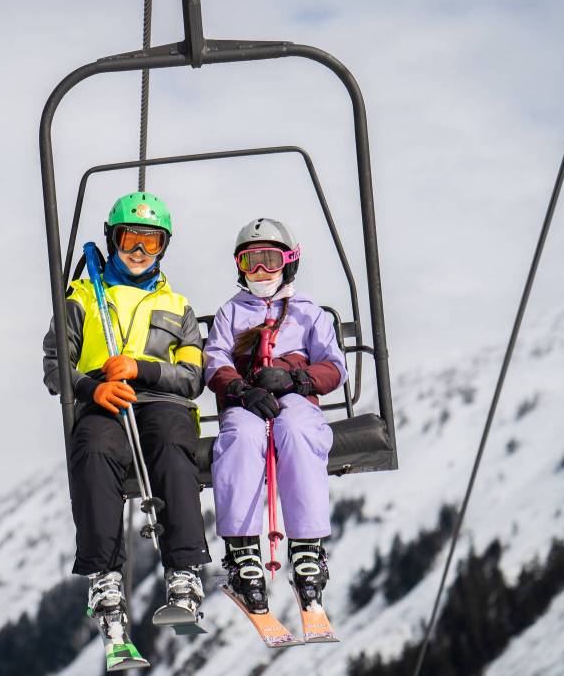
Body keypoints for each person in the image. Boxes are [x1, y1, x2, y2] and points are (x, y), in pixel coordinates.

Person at [43, 192, 210, 638]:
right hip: (104, 398)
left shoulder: (178, 306)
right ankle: (105, 577)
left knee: (175, 447)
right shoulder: (81, 298)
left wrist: (144, 368)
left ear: (164, 248)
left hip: (161, 400)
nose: (138, 252)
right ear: (112, 240)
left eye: (150, 243)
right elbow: (55, 364)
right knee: (93, 449)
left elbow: (193, 376)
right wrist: (90, 387)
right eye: (129, 240)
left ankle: (185, 570)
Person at [203, 218, 346, 612]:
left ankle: (307, 548)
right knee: (241, 438)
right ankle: (242, 551)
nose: (261, 271)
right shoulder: (230, 313)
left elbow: (334, 367)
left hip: (295, 397)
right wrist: (238, 388)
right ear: (240, 267)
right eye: (252, 262)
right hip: (247, 401)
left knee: (298, 431)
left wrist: (296, 379)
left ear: (289, 262)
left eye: (270, 260)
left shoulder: (308, 314)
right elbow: (214, 359)